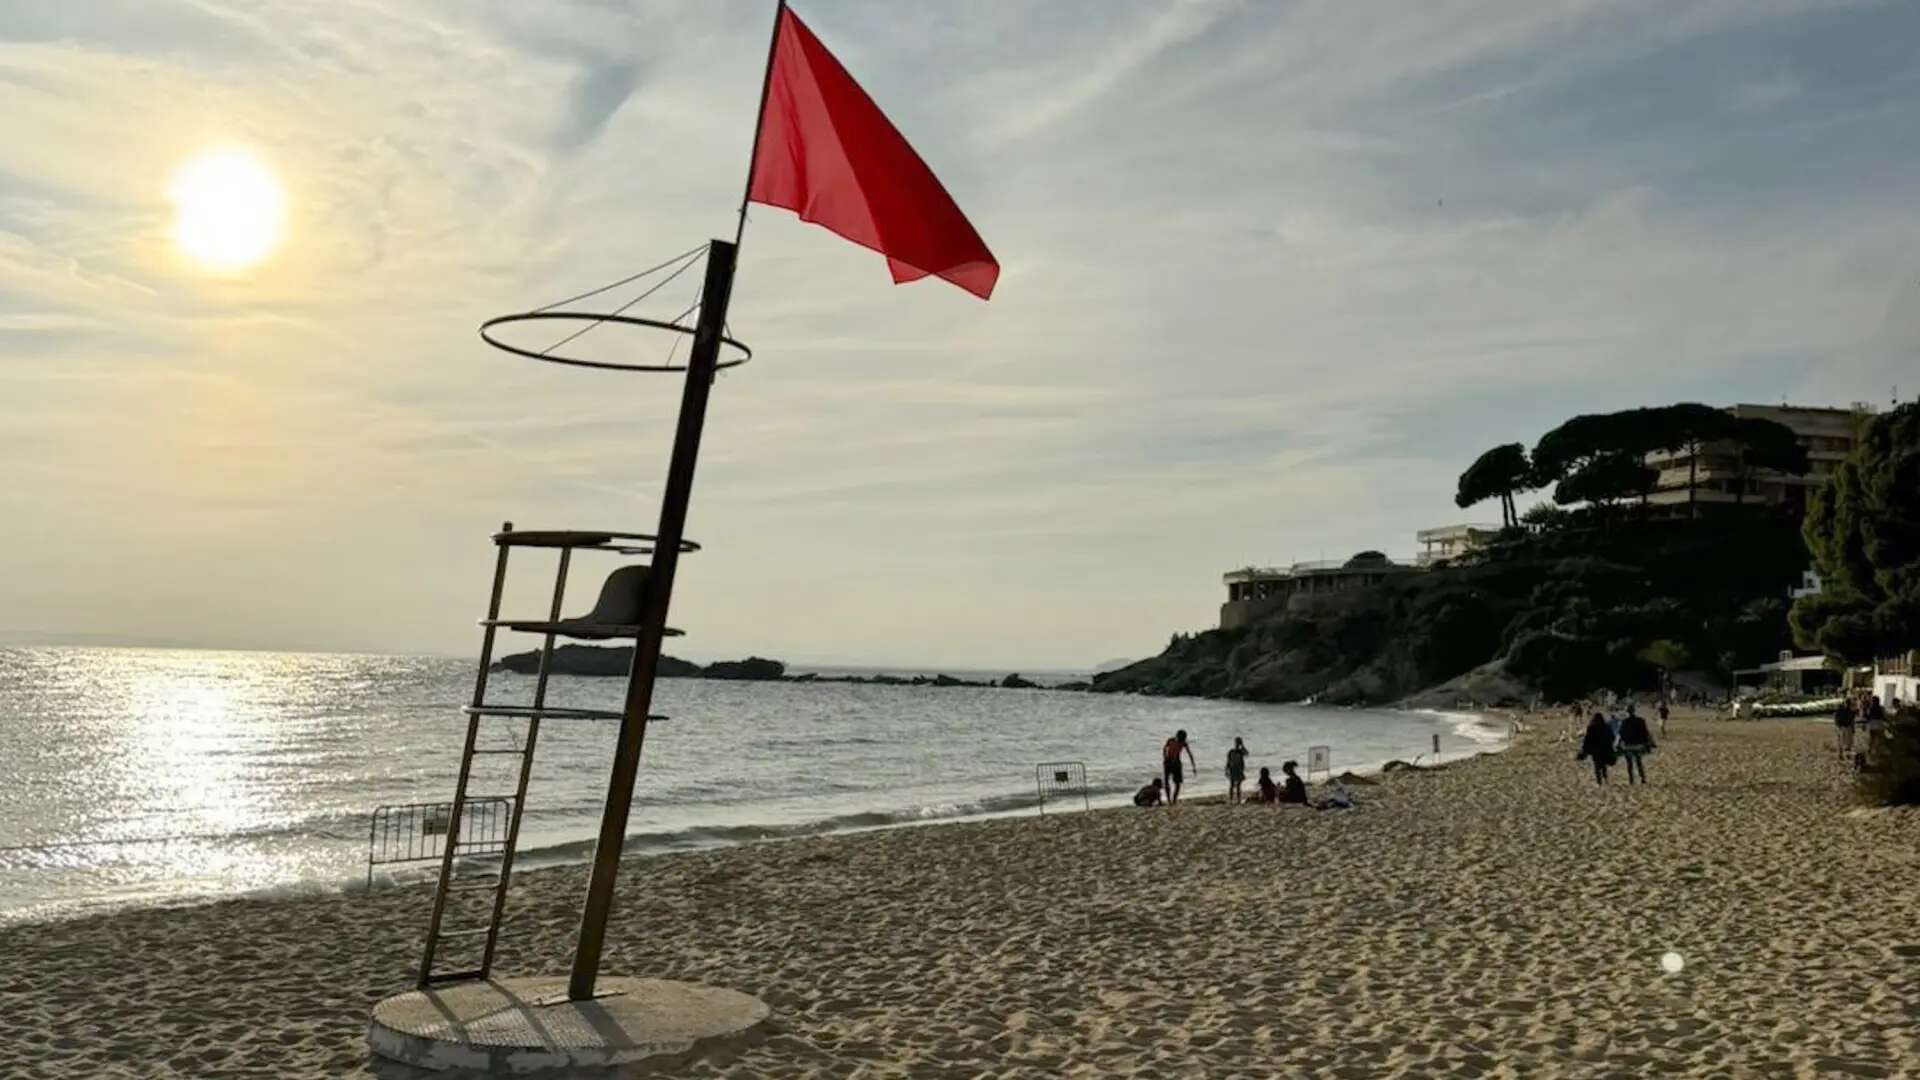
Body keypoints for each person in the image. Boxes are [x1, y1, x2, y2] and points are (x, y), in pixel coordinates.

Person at [1617, 706, 1655, 784]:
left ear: (1627, 712)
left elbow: (1621, 734)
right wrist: (1647, 743)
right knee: (1639, 762)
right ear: (1634, 711)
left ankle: (1631, 779)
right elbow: (1645, 733)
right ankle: (1643, 778)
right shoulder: (1640, 720)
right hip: (1638, 745)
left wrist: (1618, 744)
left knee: (1629, 763)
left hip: (1628, 746)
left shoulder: (1624, 722)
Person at [1577, 712, 1617, 785]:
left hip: (1595, 750)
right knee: (1603, 764)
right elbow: (1612, 737)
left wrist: (1585, 749)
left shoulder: (1591, 727)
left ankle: (1599, 782)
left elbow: (1587, 739)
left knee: (1597, 766)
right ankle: (1605, 779)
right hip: (1605, 749)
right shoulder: (1606, 726)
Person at [1162, 729, 1197, 805]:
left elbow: (1190, 754)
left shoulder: (1183, 743)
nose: (1183, 740)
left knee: (1177, 783)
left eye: (1183, 739)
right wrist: (1164, 757)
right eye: (1182, 738)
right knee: (1167, 781)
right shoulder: (1171, 740)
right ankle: (1169, 800)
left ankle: (1174, 799)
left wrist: (1193, 766)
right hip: (1169, 761)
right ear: (1178, 736)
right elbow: (1164, 748)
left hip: (1176, 762)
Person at [1225, 737, 1249, 804]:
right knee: (1233, 785)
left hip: (1238, 770)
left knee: (1236, 785)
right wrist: (1226, 769)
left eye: (1239, 742)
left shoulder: (1240, 751)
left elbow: (1247, 753)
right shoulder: (1232, 751)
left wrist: (1243, 746)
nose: (1238, 744)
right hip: (1234, 769)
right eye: (1238, 742)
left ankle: (1236, 800)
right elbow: (1228, 761)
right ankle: (1232, 800)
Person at [1834, 695, 1858, 760]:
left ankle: (1841, 754)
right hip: (1845, 726)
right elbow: (1852, 720)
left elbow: (1836, 717)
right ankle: (1843, 754)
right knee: (1847, 742)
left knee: (1843, 741)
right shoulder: (1850, 710)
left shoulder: (1842, 708)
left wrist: (1837, 724)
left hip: (1843, 726)